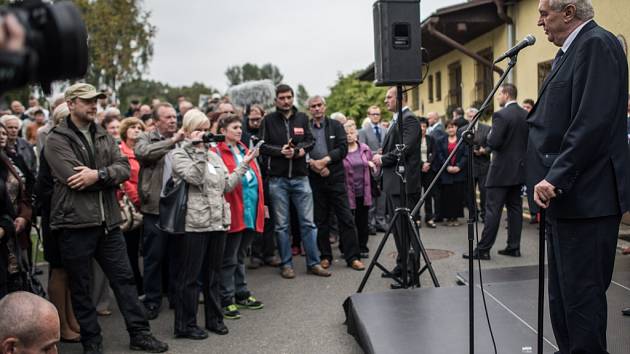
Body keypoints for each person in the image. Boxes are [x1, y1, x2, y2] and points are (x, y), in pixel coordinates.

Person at [528, 1, 630, 352]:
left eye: (545, 13)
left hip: (588, 198)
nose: (539, 22)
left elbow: (591, 122)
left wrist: (555, 176)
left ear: (568, 12)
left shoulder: (597, 44)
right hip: (568, 201)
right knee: (563, 303)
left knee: (581, 305)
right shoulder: (572, 51)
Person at [45, 83, 167, 353]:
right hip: (75, 224)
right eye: (88, 100)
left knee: (124, 280)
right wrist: (104, 176)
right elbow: (73, 178)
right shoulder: (56, 138)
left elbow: (123, 168)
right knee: (81, 286)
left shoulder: (103, 134)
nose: (94, 105)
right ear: (72, 102)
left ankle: (139, 334)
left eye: (96, 101)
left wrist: (98, 175)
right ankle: (92, 342)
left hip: (109, 223)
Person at [171, 109, 257, 339]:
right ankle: (186, 325)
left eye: (205, 129)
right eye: (197, 129)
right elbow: (195, 178)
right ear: (188, 132)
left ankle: (214, 319)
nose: (203, 134)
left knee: (214, 274)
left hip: (218, 222)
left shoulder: (213, 155)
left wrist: (245, 164)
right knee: (190, 278)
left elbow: (226, 186)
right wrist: (199, 151)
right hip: (195, 223)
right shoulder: (179, 155)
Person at [259, 84, 330, 279]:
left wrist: (298, 152)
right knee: (282, 226)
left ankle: (313, 263)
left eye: (289, 97)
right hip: (277, 180)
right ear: (276, 101)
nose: (286, 101)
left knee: (308, 223)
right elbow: (261, 146)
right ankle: (286, 264)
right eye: (281, 98)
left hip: (300, 178)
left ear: (293, 98)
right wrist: (279, 151)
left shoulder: (302, 118)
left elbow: (310, 141)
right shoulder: (268, 120)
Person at [465, 84, 528, 260]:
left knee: (493, 209)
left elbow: (493, 142)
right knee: (515, 209)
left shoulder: (501, 115)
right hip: (519, 170)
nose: (498, 97)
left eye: (499, 94)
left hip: (500, 171)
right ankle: (513, 247)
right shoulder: (525, 114)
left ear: (506, 94)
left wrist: (489, 137)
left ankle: (483, 249)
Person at [35, 104, 81, 343]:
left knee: (71, 271)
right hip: (56, 215)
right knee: (59, 270)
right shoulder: (55, 145)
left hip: (69, 215)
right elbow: (47, 186)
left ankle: (71, 318)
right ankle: (60, 324)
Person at [134, 102, 184, 320]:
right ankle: (153, 300)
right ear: (156, 121)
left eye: (174, 116)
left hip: (179, 206)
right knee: (154, 256)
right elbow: (143, 154)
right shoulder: (146, 138)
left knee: (176, 254)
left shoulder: (184, 139)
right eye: (168, 117)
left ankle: (175, 295)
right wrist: (172, 141)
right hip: (155, 206)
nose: (173, 120)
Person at [214, 114, 265, 320]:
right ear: (223, 131)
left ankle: (241, 292)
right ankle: (226, 297)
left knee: (241, 254)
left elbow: (256, 177)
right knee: (229, 256)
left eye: (239, 127)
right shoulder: (216, 152)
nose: (239, 130)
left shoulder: (245, 149)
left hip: (250, 208)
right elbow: (225, 182)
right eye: (234, 127)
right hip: (233, 209)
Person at [307, 96, 364, 271]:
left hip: (335, 177)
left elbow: (342, 148)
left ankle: (352, 257)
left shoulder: (336, 125)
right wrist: (315, 166)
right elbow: (302, 149)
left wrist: (325, 161)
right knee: (321, 220)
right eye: (313, 106)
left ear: (325, 107)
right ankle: (325, 256)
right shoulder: (306, 128)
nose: (317, 109)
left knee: (346, 218)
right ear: (309, 109)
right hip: (315, 178)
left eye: (319, 105)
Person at [372, 86, 421, 280]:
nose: (386, 101)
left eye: (389, 97)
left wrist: (382, 159)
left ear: (401, 98)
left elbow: (404, 149)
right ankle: (402, 266)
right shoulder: (396, 120)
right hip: (394, 184)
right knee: (397, 230)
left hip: (405, 185)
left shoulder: (409, 119)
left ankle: (411, 272)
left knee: (407, 230)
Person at [243, 105, 280, 269]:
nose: (256, 122)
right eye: (252, 119)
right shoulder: (243, 135)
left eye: (259, 118)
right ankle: (256, 255)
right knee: (255, 216)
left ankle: (270, 253)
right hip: (251, 180)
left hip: (269, 178)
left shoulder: (268, 132)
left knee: (269, 217)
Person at [0, 122, 31, 300]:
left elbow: (24, 193)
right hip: (4, 229)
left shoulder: (12, 159)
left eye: (4, 133)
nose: (2, 135)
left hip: (16, 230)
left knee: (17, 283)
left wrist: (24, 216)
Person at [118, 117, 146, 295]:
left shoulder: (144, 151)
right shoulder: (121, 152)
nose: (137, 130)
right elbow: (124, 179)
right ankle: (135, 286)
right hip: (132, 206)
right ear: (125, 131)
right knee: (131, 250)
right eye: (133, 127)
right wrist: (138, 200)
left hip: (147, 204)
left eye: (140, 127)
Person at [343, 123, 375, 258]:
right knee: (347, 222)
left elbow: (373, 165)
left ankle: (363, 247)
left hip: (363, 191)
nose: (349, 135)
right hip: (347, 192)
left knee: (362, 222)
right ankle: (347, 249)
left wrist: (372, 164)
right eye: (346, 133)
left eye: (351, 132)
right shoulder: (341, 151)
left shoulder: (365, 149)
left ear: (356, 134)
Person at [457, 107, 492, 221]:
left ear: (478, 116)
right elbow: (460, 148)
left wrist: (484, 150)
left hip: (483, 165)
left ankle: (484, 214)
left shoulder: (487, 128)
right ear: (467, 117)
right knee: (470, 192)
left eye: (474, 115)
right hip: (469, 165)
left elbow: (491, 145)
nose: (471, 118)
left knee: (484, 191)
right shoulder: (461, 130)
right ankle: (473, 215)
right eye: (469, 116)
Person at [358, 105, 388, 233]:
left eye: (378, 114)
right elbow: (363, 149)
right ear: (369, 115)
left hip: (384, 167)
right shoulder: (363, 131)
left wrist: (384, 154)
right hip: (370, 168)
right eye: (373, 114)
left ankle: (381, 221)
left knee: (382, 196)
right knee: (371, 196)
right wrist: (377, 153)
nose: (376, 116)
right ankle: (370, 224)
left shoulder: (385, 130)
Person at [436, 120, 466, 226]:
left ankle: (456, 218)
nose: (451, 129)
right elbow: (439, 155)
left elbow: (465, 155)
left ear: (456, 128)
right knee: (447, 196)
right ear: (446, 129)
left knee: (458, 196)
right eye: (448, 127)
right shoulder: (441, 140)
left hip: (459, 172)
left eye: (452, 127)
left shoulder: (462, 140)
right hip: (446, 172)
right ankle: (448, 218)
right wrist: (447, 166)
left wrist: (459, 166)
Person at [418, 117, 438, 228]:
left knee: (428, 194)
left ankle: (429, 218)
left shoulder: (431, 139)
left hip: (429, 170)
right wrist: (422, 164)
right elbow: (413, 155)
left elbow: (434, 152)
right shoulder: (414, 140)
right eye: (420, 126)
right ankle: (416, 218)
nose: (422, 128)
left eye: (424, 126)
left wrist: (427, 163)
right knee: (416, 195)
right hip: (417, 170)